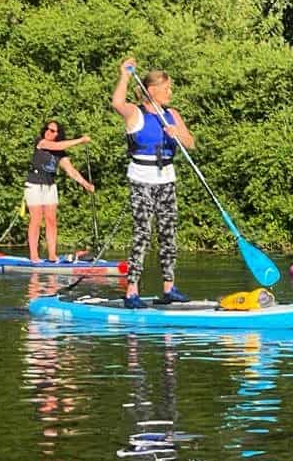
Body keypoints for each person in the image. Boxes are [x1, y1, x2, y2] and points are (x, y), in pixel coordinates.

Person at [112, 57, 195, 309]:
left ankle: (169, 288)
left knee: (168, 234)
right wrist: (124, 75)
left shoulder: (172, 114)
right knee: (143, 233)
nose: (170, 92)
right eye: (166, 88)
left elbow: (190, 142)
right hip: (141, 180)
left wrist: (176, 133)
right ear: (152, 90)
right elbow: (117, 103)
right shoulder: (135, 113)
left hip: (166, 180)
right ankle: (131, 290)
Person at [25, 120, 94, 263]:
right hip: (34, 184)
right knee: (36, 219)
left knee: (51, 220)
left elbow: (71, 171)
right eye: (47, 129)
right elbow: (56, 145)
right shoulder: (41, 142)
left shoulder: (60, 153)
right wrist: (81, 140)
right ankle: (34, 256)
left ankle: (52, 255)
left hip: (50, 185)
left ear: (58, 134)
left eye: (52, 131)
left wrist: (86, 184)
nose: (48, 132)